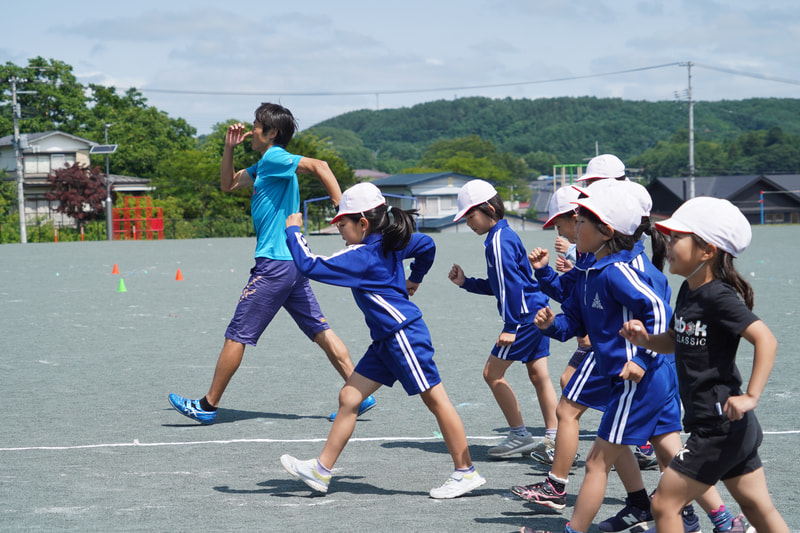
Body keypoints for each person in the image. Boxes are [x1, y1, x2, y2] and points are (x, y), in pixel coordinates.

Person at [167, 103, 374, 424]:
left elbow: (320, 165)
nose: (250, 130)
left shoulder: (275, 157)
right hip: (292, 263)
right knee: (320, 330)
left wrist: (341, 208)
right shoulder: (265, 164)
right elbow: (229, 184)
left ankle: (207, 406)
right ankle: (360, 392)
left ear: (272, 133)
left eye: (256, 125)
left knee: (237, 334)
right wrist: (228, 149)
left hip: (275, 264)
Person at [280, 182, 486, 499]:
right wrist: (415, 278)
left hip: (402, 335)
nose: (339, 231)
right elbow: (427, 245)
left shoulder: (361, 256)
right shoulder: (393, 242)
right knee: (350, 397)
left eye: (342, 224)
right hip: (386, 340)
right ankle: (321, 471)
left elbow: (309, 265)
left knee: (436, 400)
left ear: (363, 223)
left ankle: (466, 472)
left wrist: (293, 231)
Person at [620, 197, 788, 533]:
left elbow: (765, 339)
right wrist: (646, 341)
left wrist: (750, 396)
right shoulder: (688, 291)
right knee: (757, 507)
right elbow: (675, 338)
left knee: (664, 504)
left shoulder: (718, 297)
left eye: (677, 238)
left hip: (719, 428)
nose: (667, 244)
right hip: (728, 428)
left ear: (707, 251)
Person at [448, 179, 558, 459]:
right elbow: (503, 284)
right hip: (537, 312)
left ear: (487, 208)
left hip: (522, 319)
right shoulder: (504, 235)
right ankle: (555, 437)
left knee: (492, 373)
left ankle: (519, 435)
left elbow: (512, 287)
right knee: (538, 375)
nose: (469, 223)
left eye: (471, 215)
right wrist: (466, 283)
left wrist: (511, 326)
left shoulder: (497, 241)